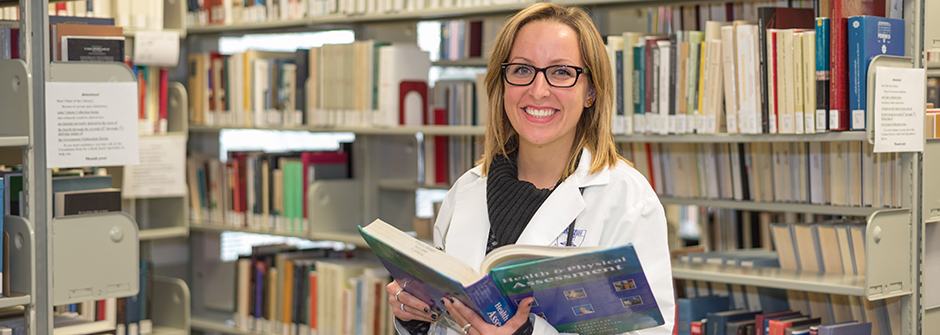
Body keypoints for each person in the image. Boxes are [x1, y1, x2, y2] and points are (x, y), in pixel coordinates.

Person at [387, 3, 675, 334]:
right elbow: (449, 319)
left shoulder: (626, 199)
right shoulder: (467, 190)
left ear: (591, 91)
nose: (538, 91)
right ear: (503, 82)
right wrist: (415, 320)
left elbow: (647, 330)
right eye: (522, 70)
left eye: (562, 72)